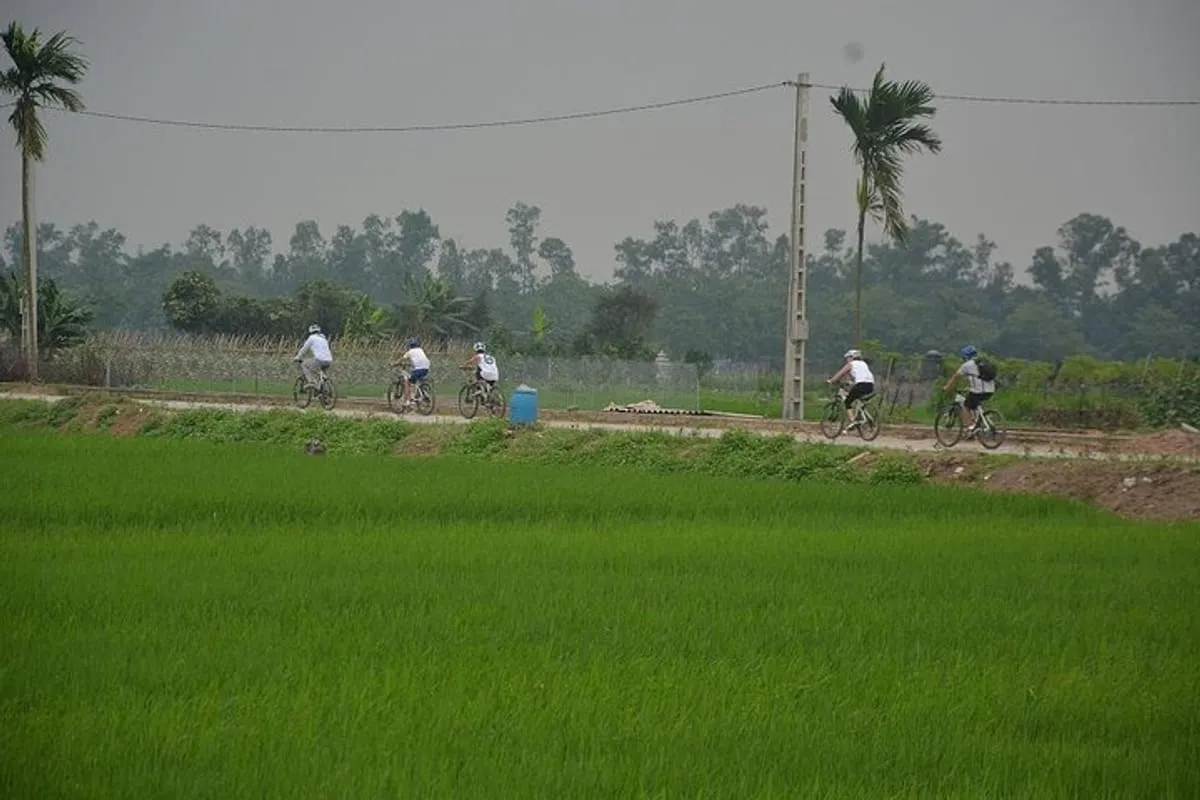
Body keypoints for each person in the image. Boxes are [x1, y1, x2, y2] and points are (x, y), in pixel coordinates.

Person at [942, 345, 995, 434]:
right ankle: (980, 422)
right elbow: (979, 378)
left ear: (965, 356)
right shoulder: (984, 362)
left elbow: (956, 377)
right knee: (973, 403)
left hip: (978, 391)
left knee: (966, 406)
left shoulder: (966, 365)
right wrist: (969, 388)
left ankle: (971, 427)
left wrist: (947, 387)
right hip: (990, 390)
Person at [826, 349, 875, 427]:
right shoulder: (864, 364)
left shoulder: (851, 364)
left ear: (852, 357)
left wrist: (831, 381)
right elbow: (857, 377)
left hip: (861, 385)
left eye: (848, 358)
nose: (847, 360)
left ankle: (853, 421)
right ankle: (862, 417)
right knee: (857, 399)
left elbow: (840, 374)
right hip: (870, 385)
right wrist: (850, 383)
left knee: (847, 402)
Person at [391, 336, 431, 407]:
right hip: (426, 368)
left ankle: (408, 401)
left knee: (407, 382)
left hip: (419, 368)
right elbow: (419, 360)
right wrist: (411, 364)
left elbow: (402, 359)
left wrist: (394, 363)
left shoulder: (410, 352)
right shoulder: (420, 350)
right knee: (416, 381)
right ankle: (423, 393)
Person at [293, 323, 332, 390]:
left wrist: (297, 357)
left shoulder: (311, 338)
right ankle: (323, 389)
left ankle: (311, 382)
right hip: (329, 360)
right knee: (321, 374)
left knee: (305, 364)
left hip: (319, 359)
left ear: (310, 331)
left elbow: (304, 349)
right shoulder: (323, 338)